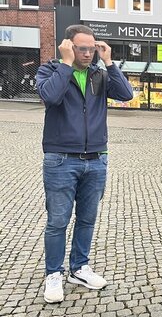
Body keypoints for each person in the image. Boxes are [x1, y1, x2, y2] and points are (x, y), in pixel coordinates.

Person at [35, 24, 134, 303]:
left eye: (92, 48)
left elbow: (126, 95)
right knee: (58, 221)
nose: (88, 53)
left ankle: (79, 268)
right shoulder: (50, 71)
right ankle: (54, 273)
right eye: (82, 48)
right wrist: (66, 64)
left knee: (87, 219)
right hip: (60, 159)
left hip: (96, 159)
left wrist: (110, 62)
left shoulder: (99, 75)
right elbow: (51, 97)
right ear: (68, 46)